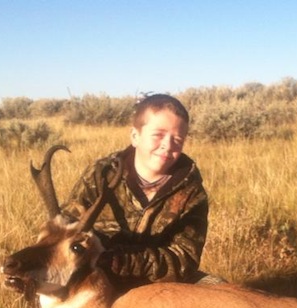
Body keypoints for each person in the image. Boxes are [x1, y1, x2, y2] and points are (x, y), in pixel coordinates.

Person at [61, 93, 222, 291]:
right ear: (135, 136)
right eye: (158, 135)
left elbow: (185, 258)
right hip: (97, 275)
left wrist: (126, 262)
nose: (167, 145)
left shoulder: (192, 192)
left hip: (157, 284)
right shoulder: (101, 173)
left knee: (218, 289)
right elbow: (65, 227)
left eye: (178, 139)